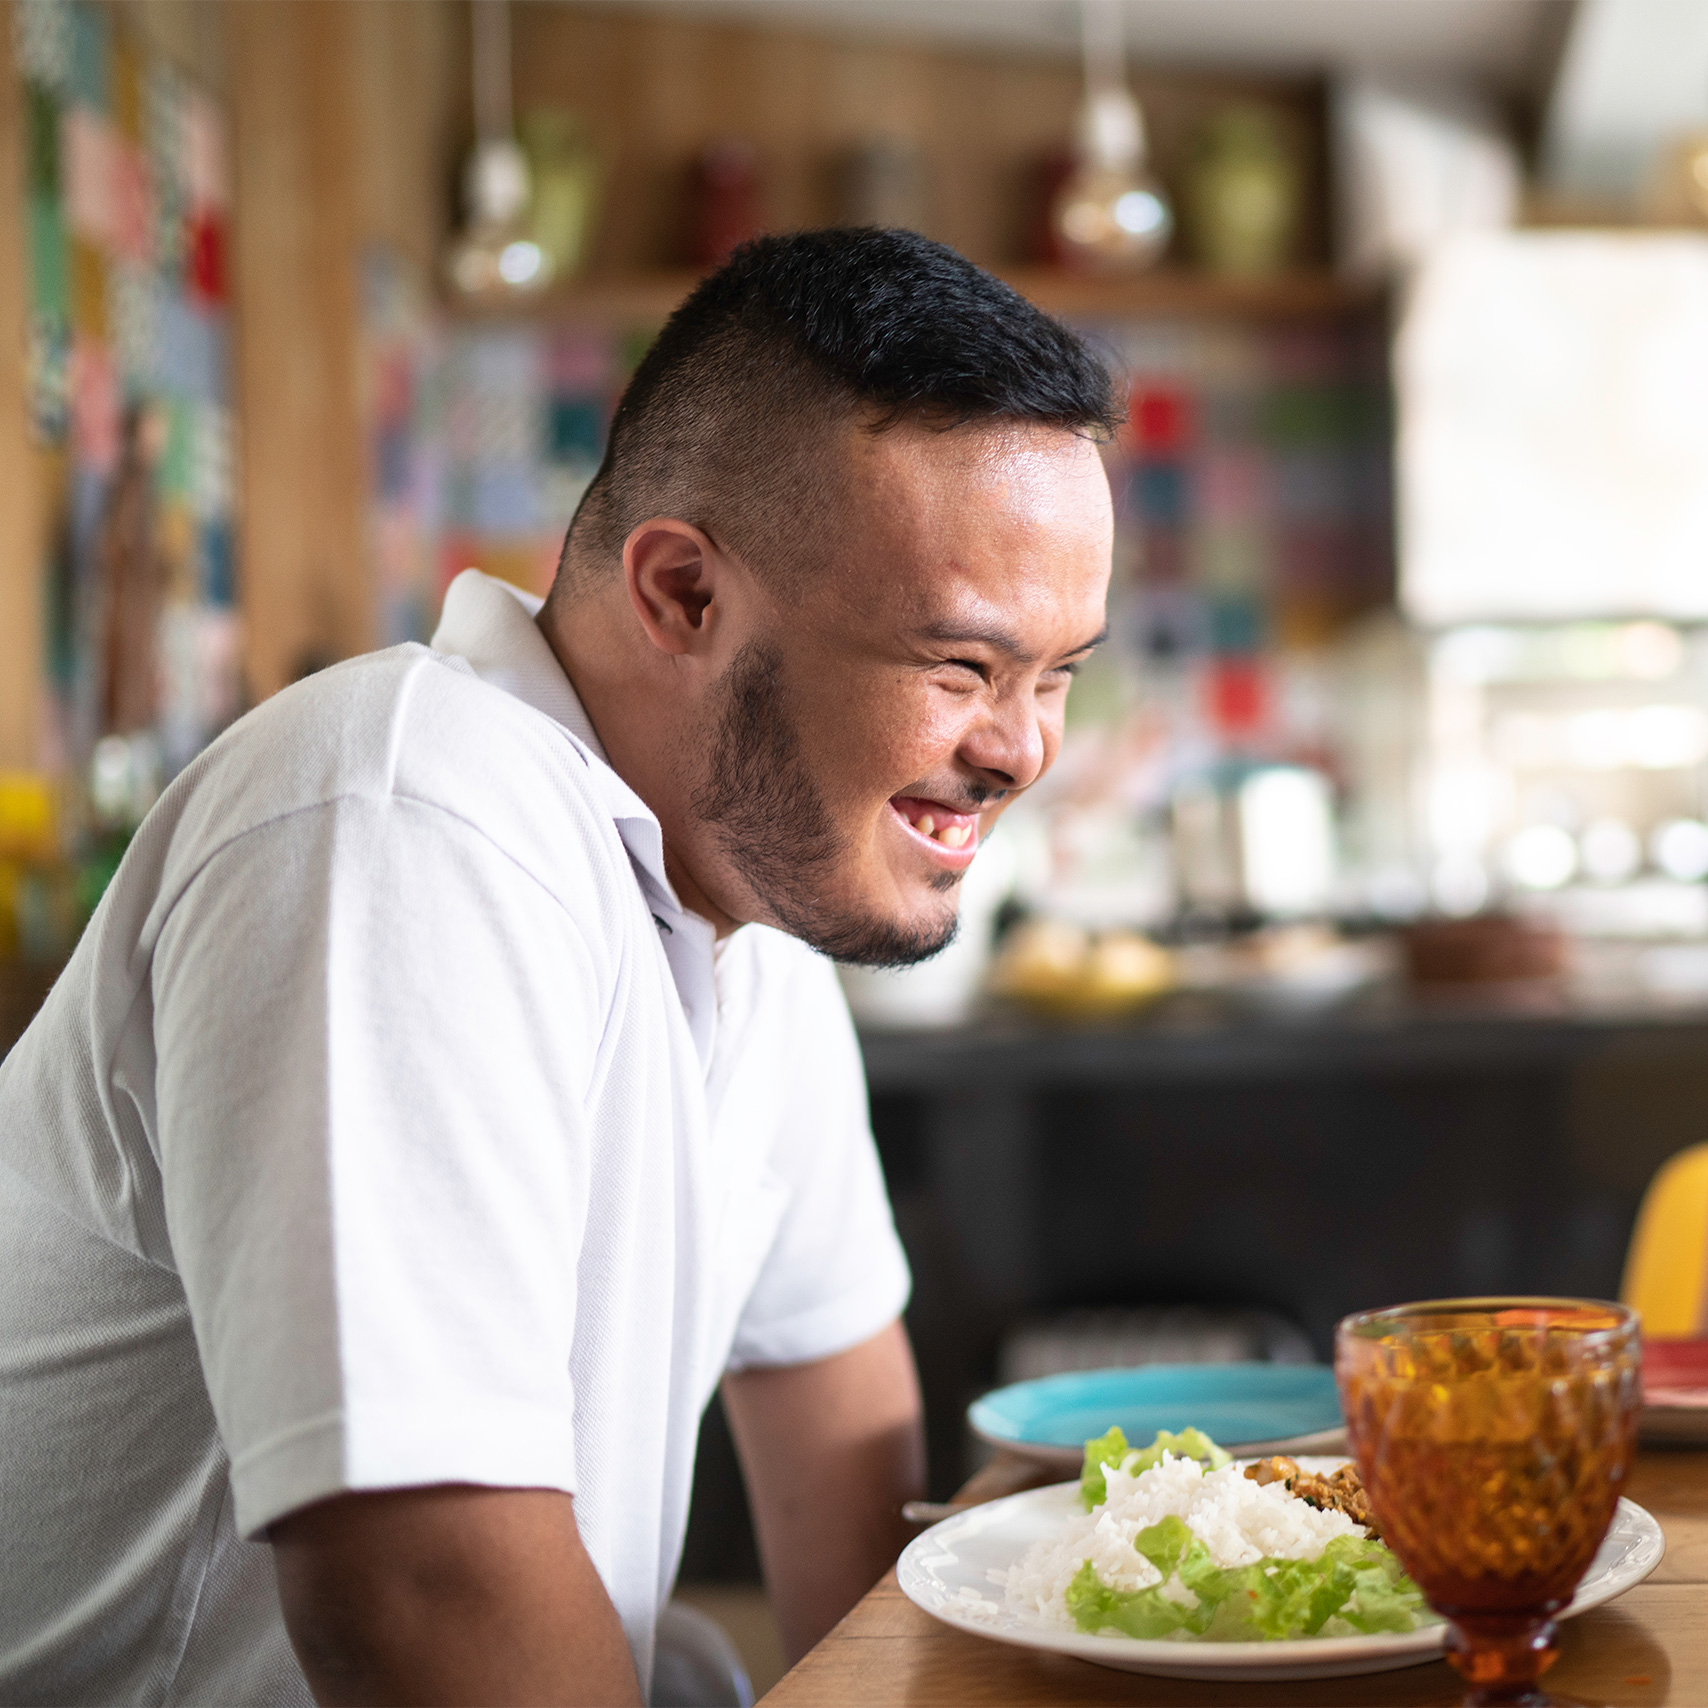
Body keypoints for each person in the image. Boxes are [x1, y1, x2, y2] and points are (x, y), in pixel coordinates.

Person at [0, 228, 1116, 1705]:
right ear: (681, 596)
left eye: (1058, 679)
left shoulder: (747, 912)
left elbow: (832, 1412)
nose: (1024, 749)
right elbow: (419, 1584)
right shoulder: (402, 816)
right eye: (962, 668)